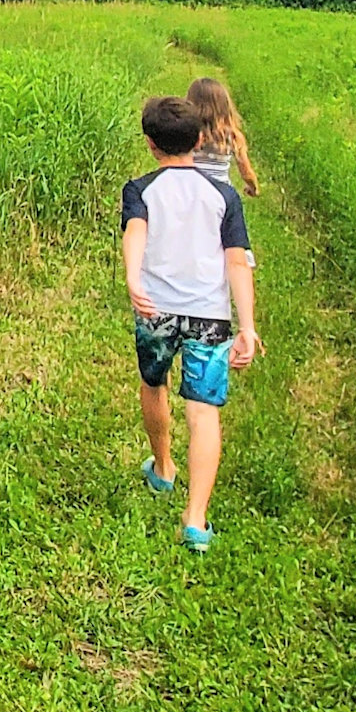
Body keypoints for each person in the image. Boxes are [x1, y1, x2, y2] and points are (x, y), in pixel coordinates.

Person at [122, 92, 257, 550]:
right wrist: (248, 326)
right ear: (199, 140)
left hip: (156, 310)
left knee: (153, 383)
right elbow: (237, 262)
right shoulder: (224, 194)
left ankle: (163, 468)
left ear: (149, 144)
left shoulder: (140, 189)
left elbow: (136, 231)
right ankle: (195, 519)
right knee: (204, 412)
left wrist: (132, 277)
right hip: (209, 317)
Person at [185, 73, 259, 197]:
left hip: (190, 191)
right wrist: (253, 188)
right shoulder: (232, 136)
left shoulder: (187, 131)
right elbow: (246, 172)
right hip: (220, 194)